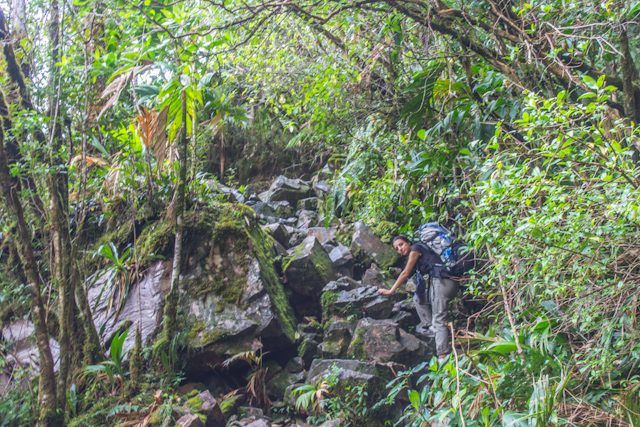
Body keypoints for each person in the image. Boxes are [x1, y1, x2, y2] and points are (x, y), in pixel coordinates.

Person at [378, 235, 458, 359]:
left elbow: (405, 273)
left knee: (439, 318)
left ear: (408, 242)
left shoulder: (416, 248)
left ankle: (443, 355)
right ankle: (434, 330)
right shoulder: (418, 255)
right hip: (438, 282)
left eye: (401, 244)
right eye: (397, 248)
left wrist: (390, 291)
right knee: (417, 299)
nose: (400, 249)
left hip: (443, 281)